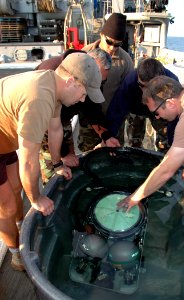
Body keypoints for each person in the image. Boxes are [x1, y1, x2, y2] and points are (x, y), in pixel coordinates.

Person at [0, 52, 103, 271]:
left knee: (17, 187)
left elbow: (55, 129)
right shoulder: (38, 98)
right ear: (71, 81)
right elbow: (28, 161)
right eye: (84, 93)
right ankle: (15, 254)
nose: (83, 100)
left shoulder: (52, 85)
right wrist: (36, 198)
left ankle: (20, 226)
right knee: (5, 206)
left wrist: (57, 164)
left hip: (5, 138)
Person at [118, 75, 184, 212]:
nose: (157, 117)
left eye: (157, 112)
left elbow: (166, 171)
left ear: (171, 103)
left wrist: (134, 198)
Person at [36, 48, 112, 184]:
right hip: (42, 124)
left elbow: (93, 109)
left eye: (102, 81)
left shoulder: (93, 78)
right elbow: (44, 127)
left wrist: (105, 135)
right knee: (53, 169)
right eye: (97, 79)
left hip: (61, 118)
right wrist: (61, 155)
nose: (98, 83)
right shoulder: (49, 75)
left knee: (71, 161)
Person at [79, 12, 134, 151]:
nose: (112, 48)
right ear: (102, 35)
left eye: (117, 44)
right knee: (89, 154)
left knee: (113, 154)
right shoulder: (84, 54)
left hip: (113, 117)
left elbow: (126, 95)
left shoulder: (125, 61)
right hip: (88, 116)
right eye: (109, 42)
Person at [105, 57, 179, 151]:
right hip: (136, 109)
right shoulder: (130, 81)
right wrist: (109, 136)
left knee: (167, 143)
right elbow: (116, 110)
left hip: (161, 111)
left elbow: (175, 116)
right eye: (141, 86)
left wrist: (174, 144)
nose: (145, 91)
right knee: (134, 142)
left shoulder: (171, 83)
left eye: (150, 87)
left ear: (161, 80)